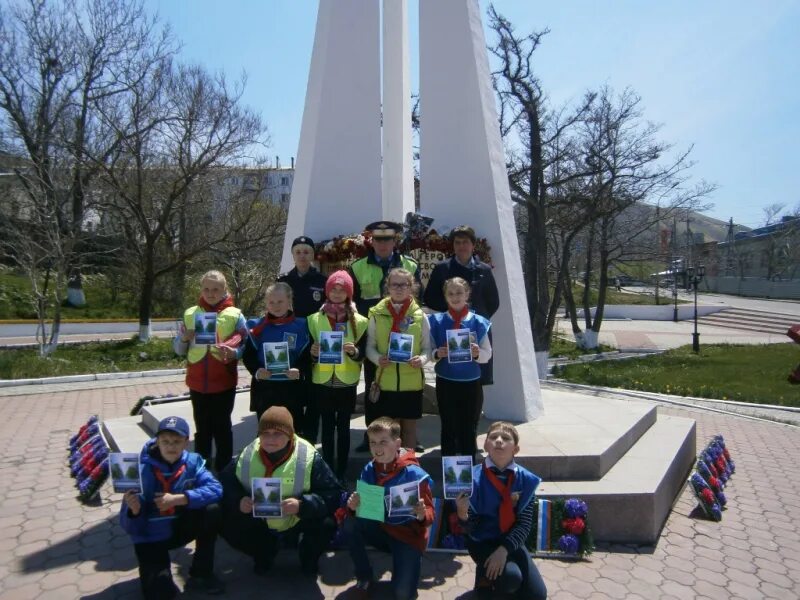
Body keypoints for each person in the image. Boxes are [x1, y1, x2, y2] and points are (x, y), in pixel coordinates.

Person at [219, 406, 344, 576]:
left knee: (326, 524)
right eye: (265, 433)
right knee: (221, 517)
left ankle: (308, 556)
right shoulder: (246, 454)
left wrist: (302, 505)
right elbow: (223, 483)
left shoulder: (308, 456)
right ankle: (263, 553)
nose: (270, 439)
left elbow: (333, 493)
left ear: (290, 435)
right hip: (261, 521)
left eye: (277, 433)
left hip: (296, 520)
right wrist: (239, 500)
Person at [120, 416, 225, 598]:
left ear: (186, 442)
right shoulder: (138, 469)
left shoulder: (193, 462)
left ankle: (201, 572)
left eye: (177, 441)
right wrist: (134, 511)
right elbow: (130, 528)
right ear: (157, 441)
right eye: (165, 441)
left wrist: (181, 498)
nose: (171, 446)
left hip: (179, 525)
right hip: (150, 535)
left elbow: (216, 489)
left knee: (212, 510)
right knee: (161, 594)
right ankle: (157, 572)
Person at [350, 221, 423, 453]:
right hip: (373, 332)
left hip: (405, 333)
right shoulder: (358, 266)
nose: (383, 244)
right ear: (371, 241)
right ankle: (372, 435)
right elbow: (354, 302)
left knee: (406, 388)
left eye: (387, 239)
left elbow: (417, 299)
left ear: (395, 241)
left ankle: (404, 437)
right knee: (376, 387)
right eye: (378, 239)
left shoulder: (409, 265)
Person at [455, 422, 547, 600]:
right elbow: (470, 530)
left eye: (505, 438)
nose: (498, 441)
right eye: (493, 437)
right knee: (510, 579)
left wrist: (503, 550)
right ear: (486, 445)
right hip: (482, 541)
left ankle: (489, 582)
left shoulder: (526, 480)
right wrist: (462, 513)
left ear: (516, 449)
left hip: (510, 542)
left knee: (537, 595)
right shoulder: (471, 478)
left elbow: (524, 524)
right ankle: (485, 582)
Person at [345, 417, 435, 600]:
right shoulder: (369, 469)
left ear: (397, 443)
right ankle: (364, 577)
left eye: (384, 442)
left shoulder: (415, 474)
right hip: (381, 528)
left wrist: (421, 514)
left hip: (407, 536)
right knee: (349, 524)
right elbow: (362, 508)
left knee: (403, 594)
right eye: (373, 442)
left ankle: (405, 565)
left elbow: (431, 514)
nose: (377, 448)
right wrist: (354, 507)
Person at [423, 226, 499, 434]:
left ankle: (470, 434)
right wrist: (451, 313)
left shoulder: (483, 269)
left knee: (476, 383)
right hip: (448, 334)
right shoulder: (442, 269)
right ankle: (451, 435)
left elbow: (493, 301)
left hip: (474, 334)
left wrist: (474, 322)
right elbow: (430, 297)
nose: (461, 246)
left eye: (465, 242)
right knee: (449, 382)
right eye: (457, 242)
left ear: (473, 245)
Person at [174, 270, 246, 472]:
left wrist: (234, 353)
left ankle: (224, 471)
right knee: (202, 430)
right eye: (206, 289)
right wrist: (184, 339)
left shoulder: (235, 315)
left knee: (223, 429)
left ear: (224, 290)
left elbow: (245, 346)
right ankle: (201, 471)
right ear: (201, 289)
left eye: (215, 289)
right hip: (197, 383)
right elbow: (179, 350)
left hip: (223, 383)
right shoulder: (190, 314)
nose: (210, 293)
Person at [307, 270, 368, 479]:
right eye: (334, 288)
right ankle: (327, 470)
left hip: (346, 381)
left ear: (349, 293)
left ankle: (341, 469)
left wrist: (354, 352)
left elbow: (363, 352)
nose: (337, 293)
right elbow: (309, 352)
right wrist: (313, 353)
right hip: (322, 380)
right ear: (327, 291)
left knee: (343, 427)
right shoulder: (314, 319)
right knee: (326, 428)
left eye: (342, 290)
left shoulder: (360, 321)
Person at [365, 268, 431, 450]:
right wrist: (378, 358)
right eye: (395, 284)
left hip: (411, 382)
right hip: (385, 382)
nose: (399, 288)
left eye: (404, 284)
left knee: (409, 430)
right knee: (389, 432)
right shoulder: (377, 314)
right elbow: (369, 346)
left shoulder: (420, 316)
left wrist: (422, 359)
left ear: (412, 287)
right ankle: (389, 470)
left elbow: (428, 347)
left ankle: (408, 469)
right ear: (388, 287)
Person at [428, 277, 492, 457]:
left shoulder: (479, 322)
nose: (455, 297)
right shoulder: (436, 321)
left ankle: (468, 475)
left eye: (459, 293)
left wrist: (477, 353)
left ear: (467, 294)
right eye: (450, 293)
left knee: (468, 428)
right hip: (446, 382)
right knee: (448, 427)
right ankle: (450, 478)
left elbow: (487, 354)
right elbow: (429, 352)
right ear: (445, 296)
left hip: (471, 383)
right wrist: (437, 354)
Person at [277, 235, 328, 444]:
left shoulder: (322, 282)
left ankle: (311, 438)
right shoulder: (283, 282)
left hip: (316, 342)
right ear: (293, 255)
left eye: (306, 251)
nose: (302, 256)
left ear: (313, 255)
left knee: (315, 392)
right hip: (292, 343)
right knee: (294, 390)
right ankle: (293, 435)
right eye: (298, 252)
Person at [242, 282, 310, 426]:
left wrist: (300, 371)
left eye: (280, 301)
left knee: (294, 432)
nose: (276, 305)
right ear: (266, 303)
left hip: (292, 389)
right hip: (265, 389)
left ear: (289, 301)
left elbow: (307, 357)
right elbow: (248, 356)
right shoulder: (256, 327)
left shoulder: (302, 325)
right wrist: (257, 371)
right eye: (271, 302)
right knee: (267, 432)